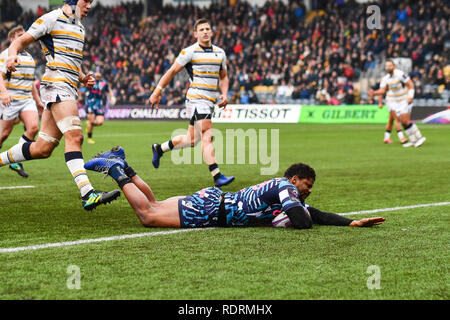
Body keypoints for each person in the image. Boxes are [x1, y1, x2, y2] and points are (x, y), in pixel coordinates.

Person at [0, 0, 120, 211]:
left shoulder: (80, 27)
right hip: (56, 85)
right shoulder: (51, 18)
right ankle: (87, 193)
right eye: (87, 0)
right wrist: (11, 57)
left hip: (68, 86)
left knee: (43, 148)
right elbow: (18, 43)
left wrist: (82, 78)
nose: (90, 5)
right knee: (75, 136)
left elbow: (72, 60)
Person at [84, 146, 386, 229]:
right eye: (307, 185)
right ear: (295, 180)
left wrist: (351, 223)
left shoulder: (284, 190)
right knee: (149, 215)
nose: (309, 191)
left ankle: (124, 164)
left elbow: (314, 214)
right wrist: (286, 218)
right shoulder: (286, 189)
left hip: (213, 202)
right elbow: (304, 222)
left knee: (157, 204)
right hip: (211, 209)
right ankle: (114, 169)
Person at [147, 18, 234, 187]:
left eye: (208, 28)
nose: (205, 31)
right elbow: (172, 71)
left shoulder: (220, 53)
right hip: (196, 99)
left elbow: (223, 76)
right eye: (201, 29)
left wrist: (224, 94)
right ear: (195, 34)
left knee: (192, 140)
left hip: (209, 101)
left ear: (212, 31)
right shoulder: (189, 52)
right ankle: (217, 175)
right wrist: (157, 91)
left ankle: (159, 148)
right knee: (208, 134)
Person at [0, 25, 44, 178]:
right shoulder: (7, 54)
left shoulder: (29, 57)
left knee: (33, 128)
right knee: (4, 134)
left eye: (24, 34)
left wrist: (38, 101)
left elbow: (31, 82)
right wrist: (4, 92)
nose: (23, 37)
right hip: (10, 99)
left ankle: (14, 159)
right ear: (12, 39)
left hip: (27, 99)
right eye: (19, 35)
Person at [369, 60, 426, 148]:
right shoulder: (385, 78)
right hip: (395, 102)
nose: (388, 67)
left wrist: (410, 96)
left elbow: (410, 84)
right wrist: (374, 92)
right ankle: (413, 140)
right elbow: (383, 90)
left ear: (394, 66)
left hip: (404, 99)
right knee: (403, 121)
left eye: (390, 65)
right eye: (387, 66)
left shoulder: (399, 74)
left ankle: (420, 137)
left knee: (405, 120)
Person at [84, 70, 115, 144]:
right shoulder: (89, 80)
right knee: (91, 121)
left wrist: (112, 97)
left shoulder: (104, 83)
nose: (98, 74)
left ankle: (89, 123)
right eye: (96, 73)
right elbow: (82, 85)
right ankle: (89, 138)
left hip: (99, 104)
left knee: (100, 122)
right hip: (90, 103)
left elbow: (109, 90)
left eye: (99, 73)